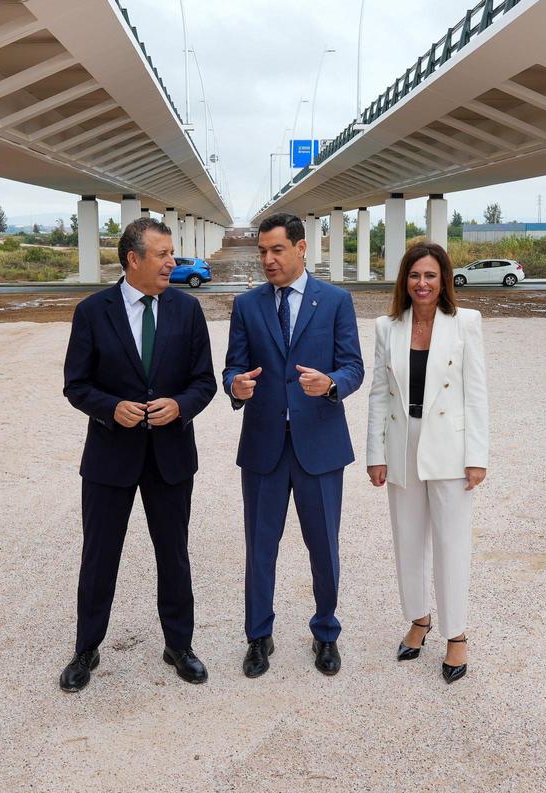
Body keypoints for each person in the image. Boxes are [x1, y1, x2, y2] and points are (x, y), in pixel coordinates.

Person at [59, 217, 217, 691]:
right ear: (134, 259)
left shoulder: (188, 311)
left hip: (170, 457)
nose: (174, 261)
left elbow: (204, 382)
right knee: (99, 555)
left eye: (173, 253)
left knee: (174, 554)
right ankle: (86, 649)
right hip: (111, 458)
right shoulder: (92, 311)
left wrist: (180, 406)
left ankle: (179, 645)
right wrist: (110, 409)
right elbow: (76, 385)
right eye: (164, 253)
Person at [223, 212, 364, 678]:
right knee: (260, 548)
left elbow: (353, 367)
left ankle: (326, 633)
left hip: (319, 448)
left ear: (301, 248)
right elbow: (232, 368)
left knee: (323, 547)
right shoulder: (247, 306)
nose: (267, 259)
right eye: (262, 250)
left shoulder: (337, 301)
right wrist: (235, 386)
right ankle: (258, 637)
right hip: (264, 447)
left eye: (276, 250)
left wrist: (330, 384)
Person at [365, 242, 489, 684]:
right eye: (415, 275)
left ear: (444, 280)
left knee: (452, 543)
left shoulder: (465, 324)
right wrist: (375, 454)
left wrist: (477, 457)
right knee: (407, 539)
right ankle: (419, 618)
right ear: (405, 279)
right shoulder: (387, 326)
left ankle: (457, 634)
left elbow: (476, 393)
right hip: (403, 442)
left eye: (430, 276)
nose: (422, 283)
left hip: (450, 448)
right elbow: (379, 394)